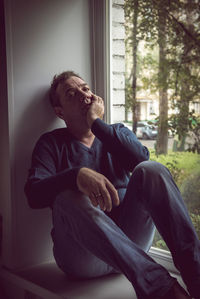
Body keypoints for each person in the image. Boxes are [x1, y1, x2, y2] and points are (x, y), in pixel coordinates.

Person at [24, 71, 200, 299]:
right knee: (66, 197)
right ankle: (162, 289)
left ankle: (196, 275)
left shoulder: (116, 133)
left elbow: (140, 161)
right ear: (60, 112)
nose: (83, 95)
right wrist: (76, 176)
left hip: (132, 244)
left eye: (86, 88)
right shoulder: (51, 143)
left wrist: (96, 123)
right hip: (83, 259)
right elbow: (33, 194)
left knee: (151, 169)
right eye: (71, 93)